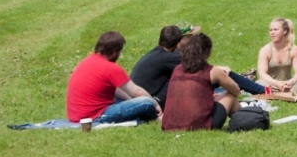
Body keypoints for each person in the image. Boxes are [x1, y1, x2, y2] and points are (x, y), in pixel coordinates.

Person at [131, 25, 264, 104]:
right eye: (189, 37)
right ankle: (261, 90)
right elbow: (202, 69)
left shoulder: (157, 53)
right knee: (220, 76)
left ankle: (254, 87)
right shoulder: (170, 57)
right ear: (179, 41)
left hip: (144, 96)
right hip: (154, 100)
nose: (192, 41)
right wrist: (219, 70)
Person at [66, 31, 161, 124]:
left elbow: (114, 90)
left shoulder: (86, 61)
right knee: (146, 102)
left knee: (130, 101)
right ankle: (157, 118)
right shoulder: (110, 67)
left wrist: (131, 101)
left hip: (77, 115)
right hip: (94, 116)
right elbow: (137, 92)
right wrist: (155, 104)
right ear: (114, 53)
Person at [161, 33, 240, 131]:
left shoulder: (177, 69)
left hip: (169, 125)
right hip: (199, 125)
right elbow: (236, 90)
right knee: (230, 95)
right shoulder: (212, 71)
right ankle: (244, 120)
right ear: (207, 53)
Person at [256, 17, 297, 94]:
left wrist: (290, 82)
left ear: (284, 31)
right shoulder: (265, 50)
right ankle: (289, 92)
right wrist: (277, 83)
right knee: (259, 82)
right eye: (270, 30)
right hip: (272, 83)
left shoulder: (293, 49)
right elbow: (262, 74)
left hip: (288, 83)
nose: (272, 32)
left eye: (275, 29)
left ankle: (287, 90)